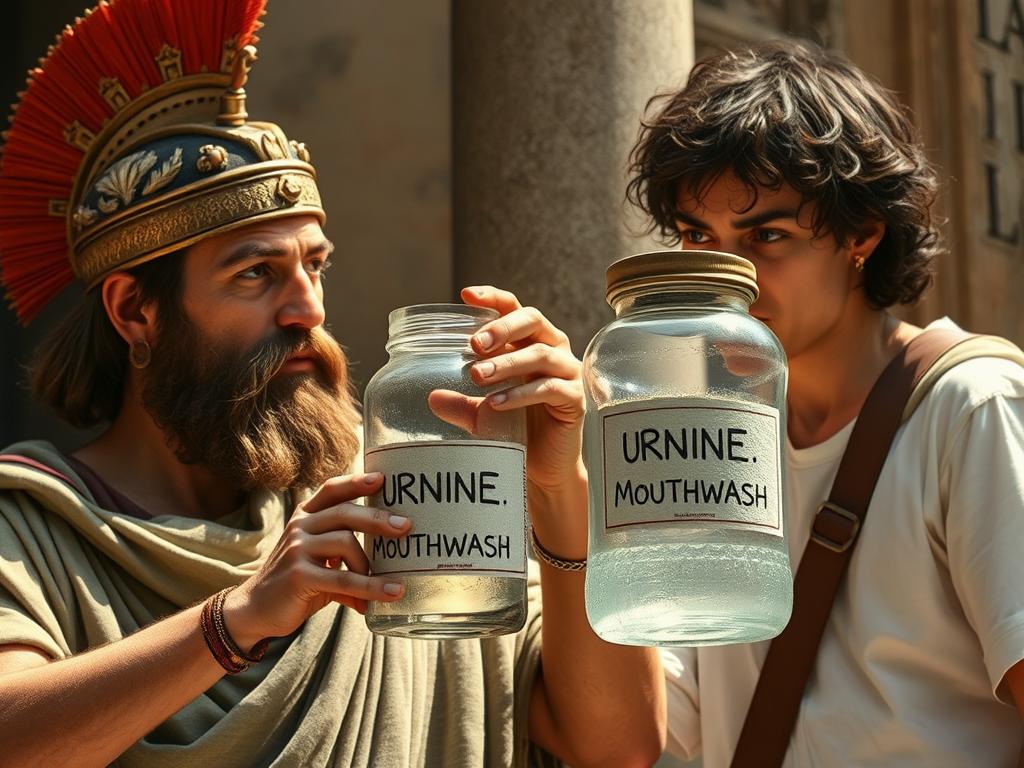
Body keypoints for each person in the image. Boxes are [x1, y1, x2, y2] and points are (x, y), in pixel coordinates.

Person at [0, 2, 665, 766]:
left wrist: (559, 486)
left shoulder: (397, 496)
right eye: (256, 273)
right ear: (134, 309)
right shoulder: (33, 529)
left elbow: (620, 745)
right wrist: (239, 619)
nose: (308, 309)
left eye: (314, 265)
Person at [626, 41, 1024, 766]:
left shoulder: (970, 406)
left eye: (766, 236)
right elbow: (651, 730)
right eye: (697, 237)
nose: (726, 278)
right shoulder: (696, 437)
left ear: (861, 235)